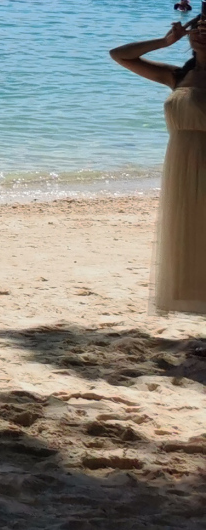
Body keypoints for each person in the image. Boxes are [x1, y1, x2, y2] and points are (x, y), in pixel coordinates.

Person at [110, 18, 206, 314]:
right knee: (192, 238)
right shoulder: (178, 76)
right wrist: (165, 42)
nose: (201, 33)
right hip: (181, 168)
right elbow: (120, 55)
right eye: (198, 27)